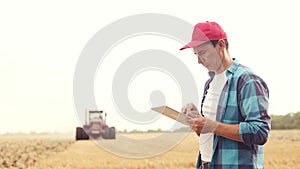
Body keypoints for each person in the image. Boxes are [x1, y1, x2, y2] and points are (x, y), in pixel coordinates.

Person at [180, 21, 271, 169]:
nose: (198, 61)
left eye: (202, 52)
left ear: (221, 45)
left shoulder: (248, 81)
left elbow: (260, 132)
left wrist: (211, 125)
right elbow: (213, 135)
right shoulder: (209, 84)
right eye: (196, 54)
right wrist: (197, 121)